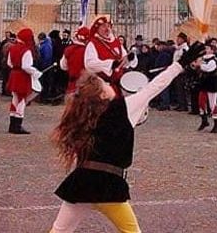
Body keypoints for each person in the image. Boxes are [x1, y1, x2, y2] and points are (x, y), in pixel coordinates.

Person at [49, 40, 206, 232]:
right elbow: (155, 86)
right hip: (108, 185)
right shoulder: (122, 108)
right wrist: (180, 64)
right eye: (104, 83)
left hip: (81, 181)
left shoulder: (84, 115)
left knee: (59, 231)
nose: (108, 84)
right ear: (101, 95)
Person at [84, 15, 137, 89]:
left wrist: (129, 58)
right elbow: (89, 63)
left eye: (108, 26)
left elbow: (123, 61)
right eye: (103, 26)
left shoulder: (116, 42)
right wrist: (110, 64)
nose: (107, 29)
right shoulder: (93, 44)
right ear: (97, 29)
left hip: (119, 85)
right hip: (100, 86)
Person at [6, 27, 40, 134]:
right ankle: (18, 125)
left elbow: (9, 63)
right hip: (22, 75)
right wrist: (35, 72)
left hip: (14, 74)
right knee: (22, 100)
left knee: (15, 99)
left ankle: (12, 124)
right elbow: (26, 66)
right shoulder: (26, 50)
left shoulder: (12, 48)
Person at [195, 42, 217, 133]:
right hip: (203, 84)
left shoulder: (214, 60)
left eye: (207, 48)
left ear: (212, 50)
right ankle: (204, 120)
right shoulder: (203, 58)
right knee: (201, 102)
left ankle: (216, 125)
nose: (205, 50)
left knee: (212, 104)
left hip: (212, 84)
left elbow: (209, 69)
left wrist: (199, 65)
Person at [60, 27, 90, 95]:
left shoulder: (68, 50)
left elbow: (63, 66)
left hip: (72, 83)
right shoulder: (89, 51)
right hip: (86, 84)